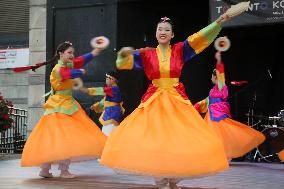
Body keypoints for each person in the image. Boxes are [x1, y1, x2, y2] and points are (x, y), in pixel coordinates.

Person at [100, 14, 231, 189]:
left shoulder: (180, 50)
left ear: (172, 34)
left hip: (176, 98)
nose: (163, 32)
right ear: (155, 33)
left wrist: (217, 23)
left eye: (167, 30)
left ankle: (175, 176)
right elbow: (122, 63)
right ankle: (160, 177)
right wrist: (124, 54)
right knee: (156, 136)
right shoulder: (146, 53)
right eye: (160, 29)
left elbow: (200, 38)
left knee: (178, 136)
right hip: (154, 98)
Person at [21, 41, 106, 178]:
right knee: (63, 139)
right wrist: (79, 71)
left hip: (65, 106)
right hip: (60, 107)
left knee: (57, 138)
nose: (72, 55)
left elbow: (82, 60)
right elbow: (65, 74)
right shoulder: (58, 69)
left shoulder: (68, 64)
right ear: (61, 53)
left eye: (73, 52)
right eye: (69, 52)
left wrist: (95, 51)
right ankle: (60, 170)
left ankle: (46, 169)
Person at [194, 51, 265, 160]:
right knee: (211, 135)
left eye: (212, 76)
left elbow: (221, 74)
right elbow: (207, 101)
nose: (211, 78)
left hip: (219, 115)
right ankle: (214, 154)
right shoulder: (212, 90)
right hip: (211, 115)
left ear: (216, 77)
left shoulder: (221, 86)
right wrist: (196, 106)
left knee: (223, 134)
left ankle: (225, 154)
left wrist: (219, 60)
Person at [80, 71, 124, 136]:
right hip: (110, 113)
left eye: (107, 78)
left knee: (109, 133)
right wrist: (97, 105)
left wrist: (88, 90)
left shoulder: (114, 89)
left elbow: (100, 90)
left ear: (113, 80)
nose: (106, 80)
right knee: (106, 131)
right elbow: (105, 100)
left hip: (112, 114)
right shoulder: (111, 90)